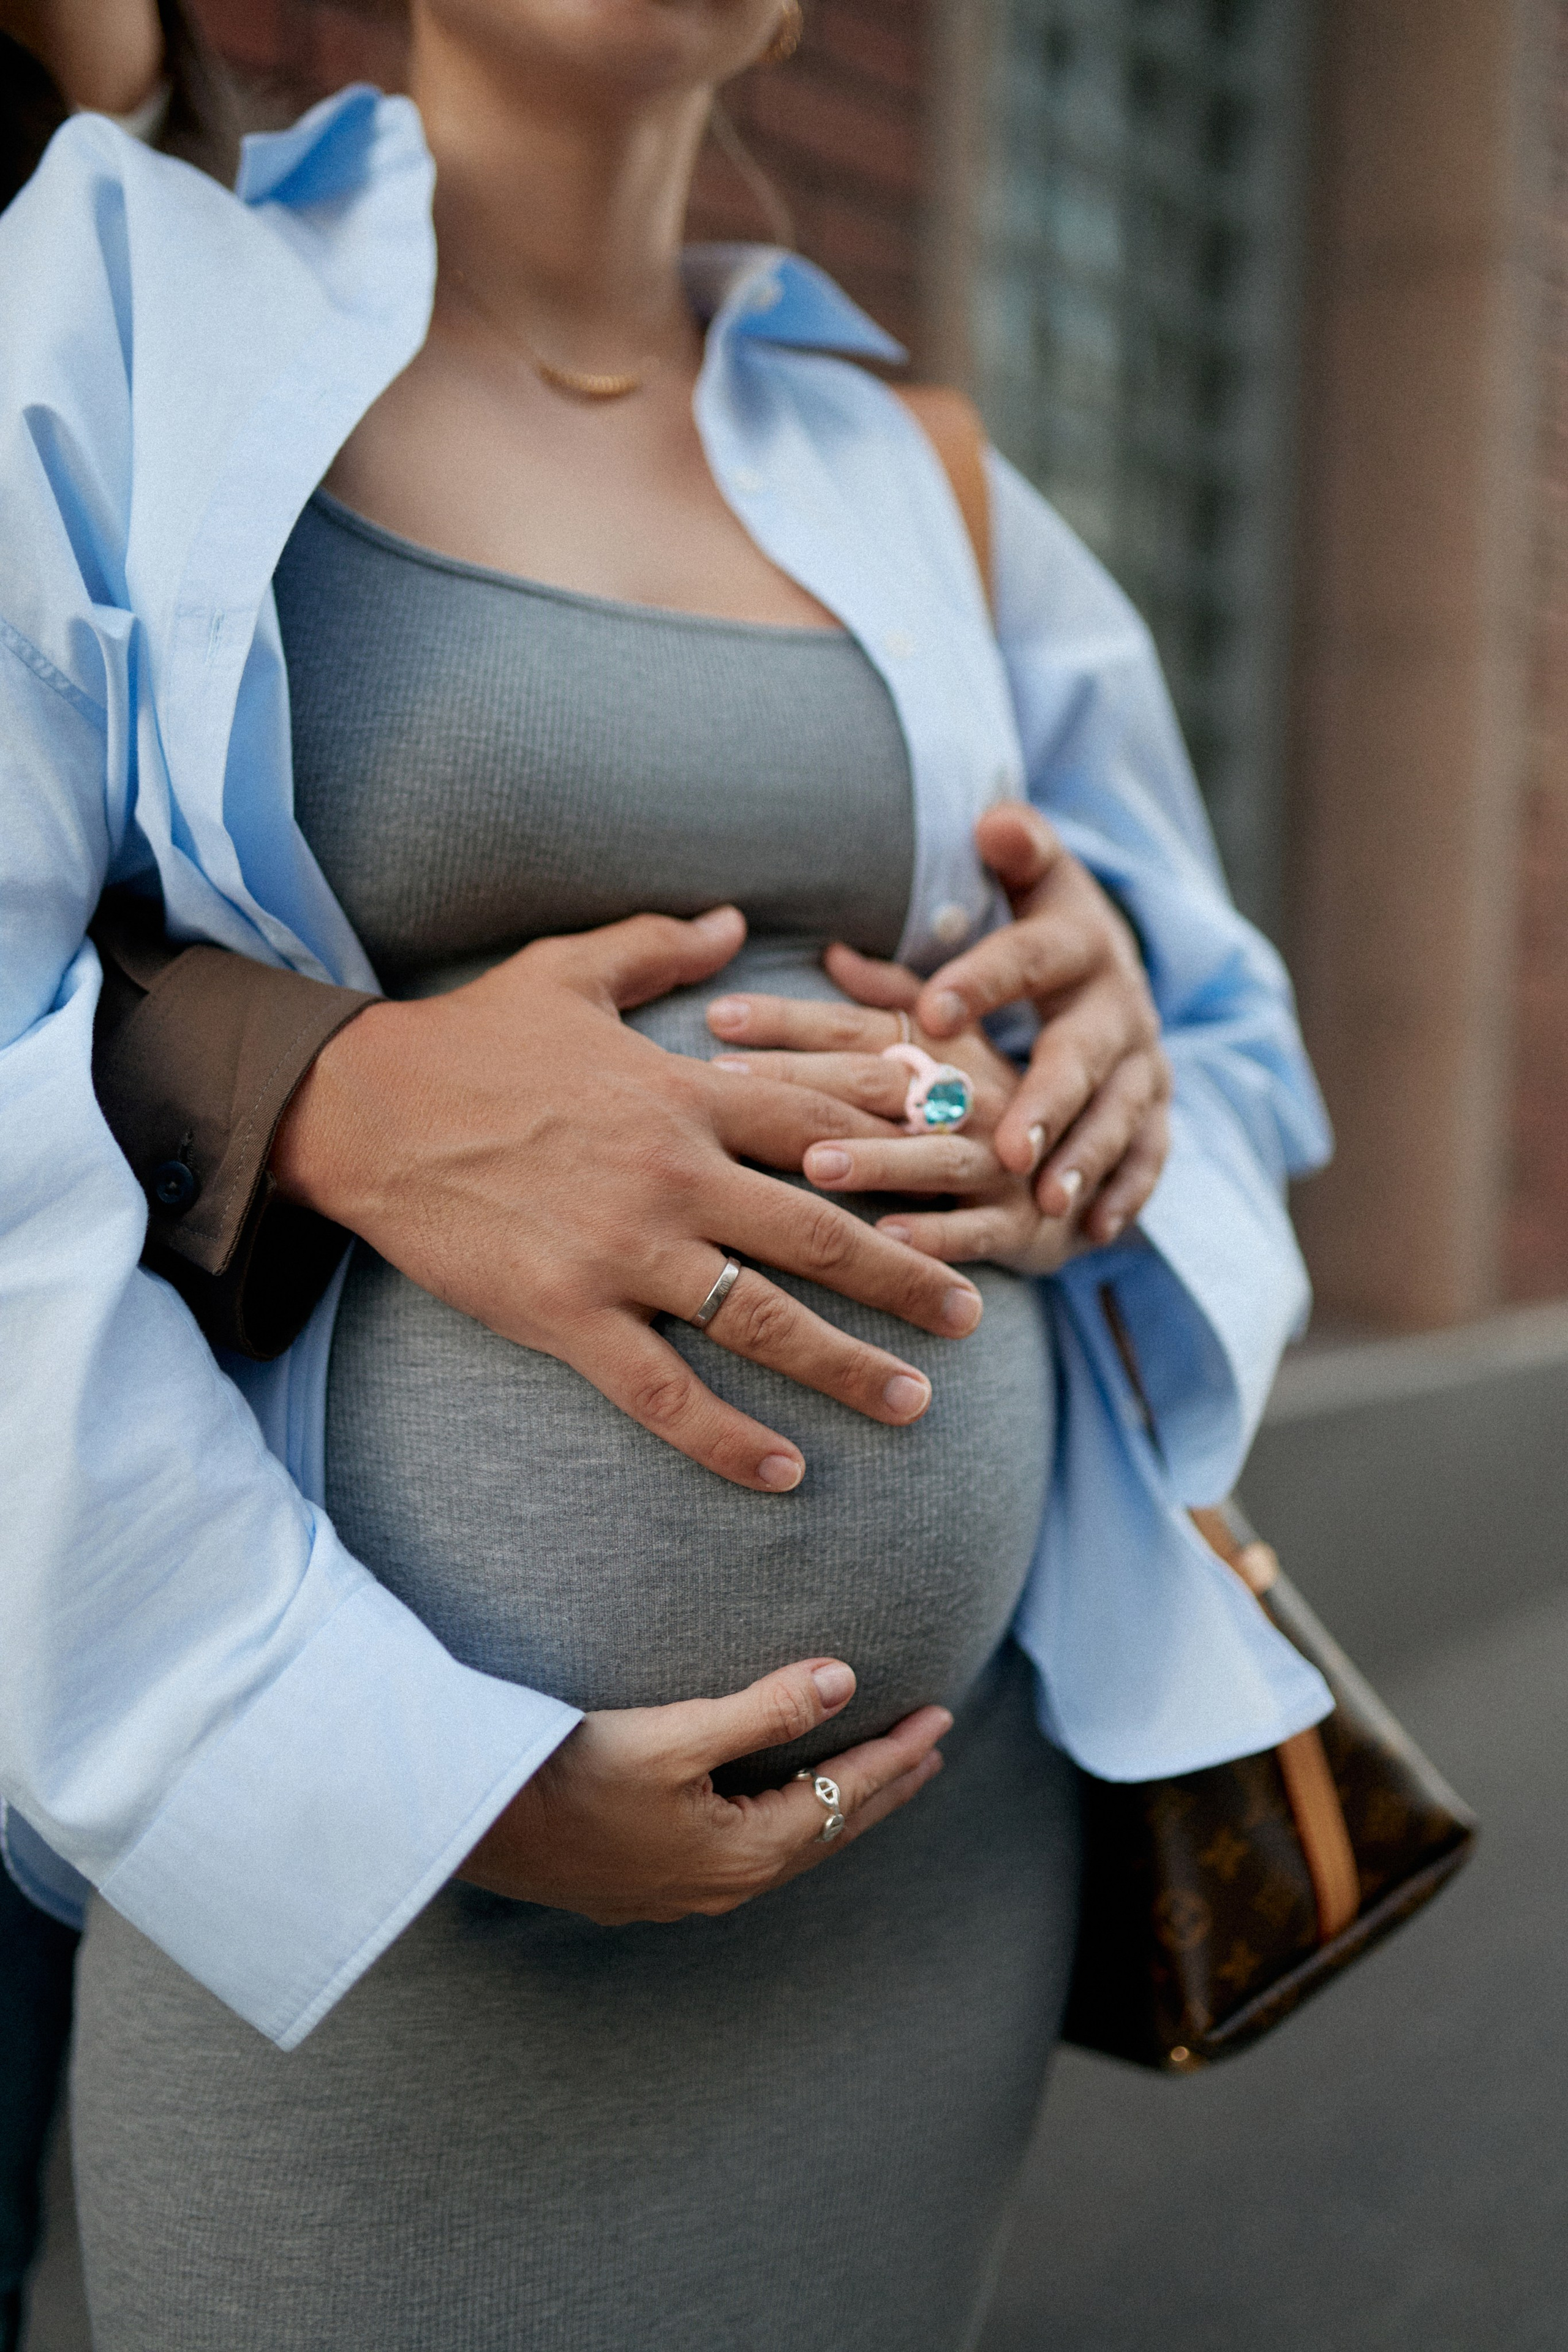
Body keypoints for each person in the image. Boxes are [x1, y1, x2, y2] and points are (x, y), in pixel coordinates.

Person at [0, 3, 1334, 2345]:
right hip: (373, 1900)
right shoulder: (118, 301)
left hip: (922, 1857)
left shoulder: (909, 462)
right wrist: (398, 1786)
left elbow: (1211, 1046)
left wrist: (1073, 1086)